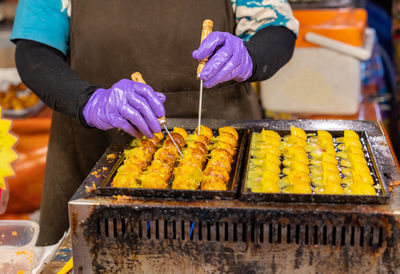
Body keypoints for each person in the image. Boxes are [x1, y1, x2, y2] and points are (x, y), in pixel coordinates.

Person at [11, 0, 298, 245]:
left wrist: (250, 57)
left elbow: (276, 28)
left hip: (223, 147)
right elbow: (35, 49)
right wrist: (88, 101)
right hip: (93, 144)